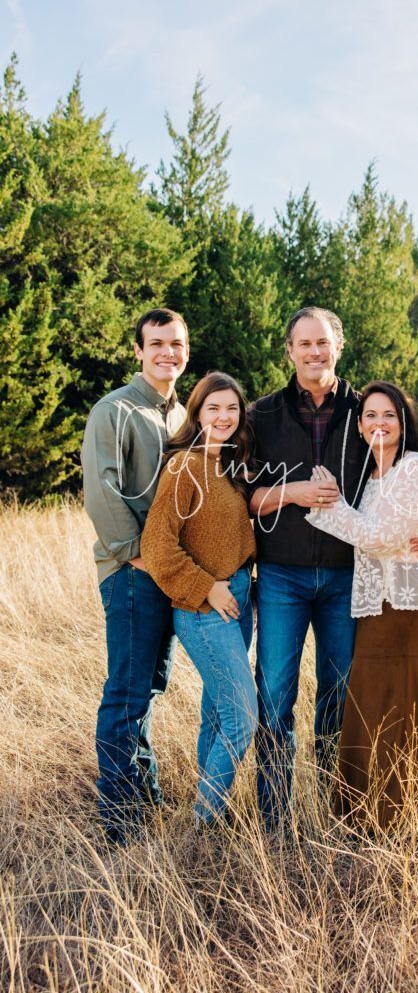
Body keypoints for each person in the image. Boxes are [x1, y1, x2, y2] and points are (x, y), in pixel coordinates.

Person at [248, 307, 368, 830]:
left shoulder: (369, 411)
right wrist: (293, 492)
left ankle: (332, 810)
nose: (314, 352)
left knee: (339, 693)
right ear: (289, 350)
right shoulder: (262, 416)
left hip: (347, 575)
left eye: (323, 343)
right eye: (305, 344)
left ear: (338, 346)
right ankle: (275, 820)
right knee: (274, 694)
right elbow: (245, 499)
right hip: (281, 576)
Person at [307, 382, 418, 829]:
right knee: (370, 704)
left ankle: (409, 813)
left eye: (388, 415)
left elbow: (382, 538)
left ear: (403, 423)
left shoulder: (415, 467)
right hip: (373, 607)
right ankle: (363, 816)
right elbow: (371, 534)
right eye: (370, 416)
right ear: (361, 426)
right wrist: (342, 504)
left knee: (407, 706)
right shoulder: (371, 478)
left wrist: (332, 507)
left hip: (408, 608)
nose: (379, 423)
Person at [81, 308, 189, 843]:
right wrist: (137, 556)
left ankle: (143, 795)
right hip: (132, 573)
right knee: (126, 691)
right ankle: (121, 820)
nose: (168, 352)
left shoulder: (181, 415)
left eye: (177, 343)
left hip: (165, 574)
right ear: (139, 350)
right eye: (158, 343)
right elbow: (102, 490)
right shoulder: (115, 410)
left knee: (148, 686)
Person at [141, 372, 257, 828]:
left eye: (232, 408)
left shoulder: (229, 466)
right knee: (243, 715)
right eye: (214, 408)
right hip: (205, 606)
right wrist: (206, 586)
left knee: (217, 712)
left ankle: (208, 812)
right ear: (197, 413)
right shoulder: (183, 466)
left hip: (240, 599)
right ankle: (203, 821)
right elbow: (157, 546)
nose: (224, 416)